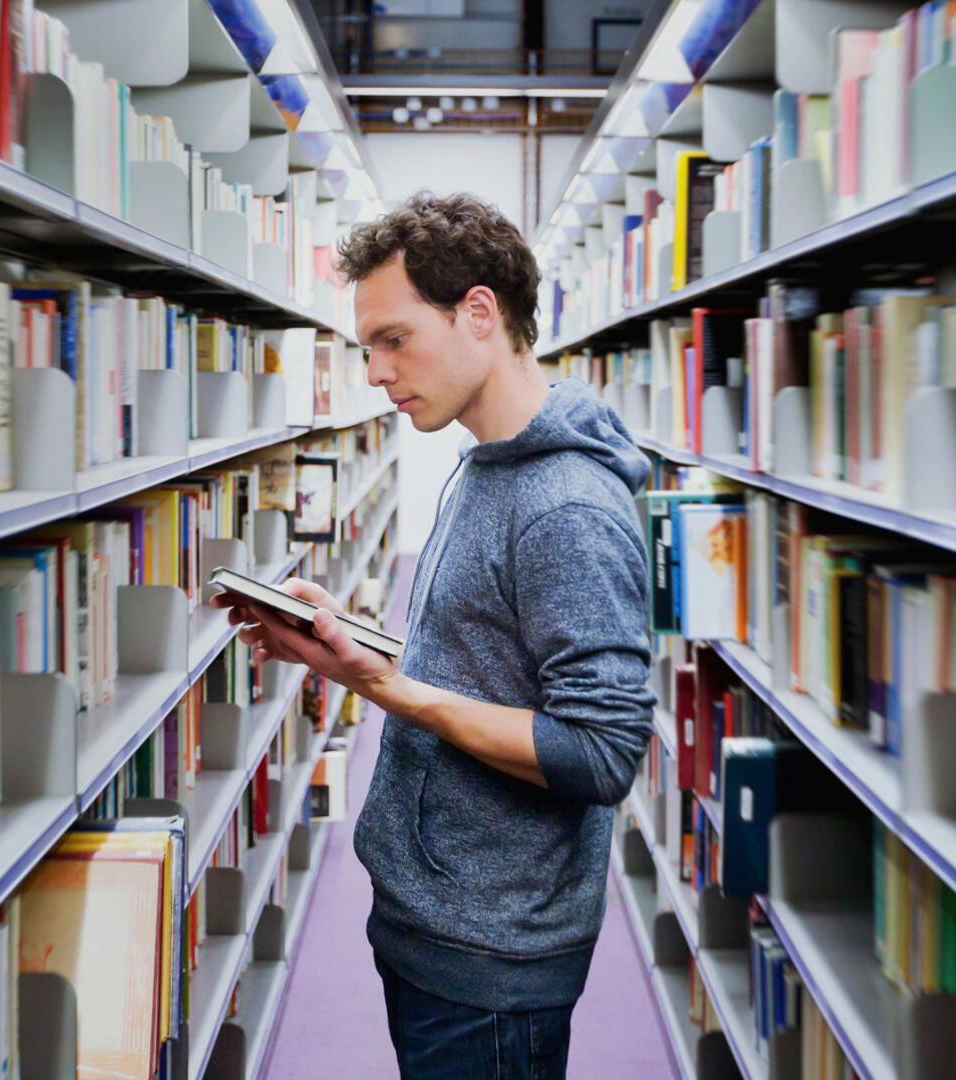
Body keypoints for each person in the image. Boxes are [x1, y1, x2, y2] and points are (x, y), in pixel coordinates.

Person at [212, 191, 657, 1078]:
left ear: (479, 314)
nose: (375, 371)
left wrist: (385, 687)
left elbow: (602, 751)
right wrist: (347, 649)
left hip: (491, 957)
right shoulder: (485, 462)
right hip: (438, 917)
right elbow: (484, 667)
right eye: (366, 346)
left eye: (394, 338)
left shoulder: (564, 506)